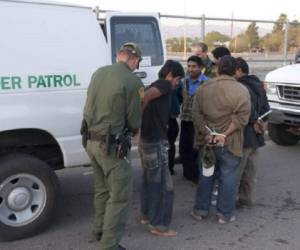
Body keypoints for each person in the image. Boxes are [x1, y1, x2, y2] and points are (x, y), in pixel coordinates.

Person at [82, 42, 143, 250]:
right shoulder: (132, 81)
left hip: (90, 141)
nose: (136, 66)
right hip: (111, 147)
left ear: (119, 55)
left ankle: (99, 230)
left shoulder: (99, 72)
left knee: (101, 190)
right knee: (119, 196)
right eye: (138, 63)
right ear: (134, 60)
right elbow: (134, 121)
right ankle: (109, 245)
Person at [191, 55, 251, 224]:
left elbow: (196, 114)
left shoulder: (204, 87)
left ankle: (200, 210)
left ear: (218, 69)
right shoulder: (241, 90)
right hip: (231, 142)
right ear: (235, 70)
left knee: (206, 176)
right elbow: (242, 118)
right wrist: (224, 134)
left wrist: (208, 132)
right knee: (229, 177)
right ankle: (224, 214)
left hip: (208, 141)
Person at [138, 60, 185, 237]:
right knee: (164, 186)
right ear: (171, 74)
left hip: (147, 139)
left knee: (148, 180)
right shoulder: (164, 84)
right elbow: (146, 96)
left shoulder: (154, 83)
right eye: (177, 79)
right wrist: (138, 115)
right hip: (156, 141)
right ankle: (159, 225)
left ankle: (146, 215)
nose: (177, 83)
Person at [235, 57, 270, 208]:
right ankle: (247, 200)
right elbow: (267, 109)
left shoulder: (240, 86)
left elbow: (246, 110)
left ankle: (230, 202)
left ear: (239, 71)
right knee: (251, 171)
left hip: (244, 134)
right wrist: (261, 122)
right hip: (257, 135)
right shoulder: (258, 84)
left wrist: (254, 120)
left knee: (237, 171)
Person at [179, 56, 208, 183]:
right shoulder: (184, 82)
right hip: (185, 120)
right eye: (189, 66)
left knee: (197, 148)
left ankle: (197, 175)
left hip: (199, 122)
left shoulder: (207, 83)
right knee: (184, 147)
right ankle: (188, 173)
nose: (191, 69)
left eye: (194, 66)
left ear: (201, 68)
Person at [168, 83, 183, 175]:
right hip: (171, 117)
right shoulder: (177, 84)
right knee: (170, 144)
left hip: (169, 118)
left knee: (169, 144)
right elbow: (181, 98)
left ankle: (169, 167)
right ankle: (170, 167)